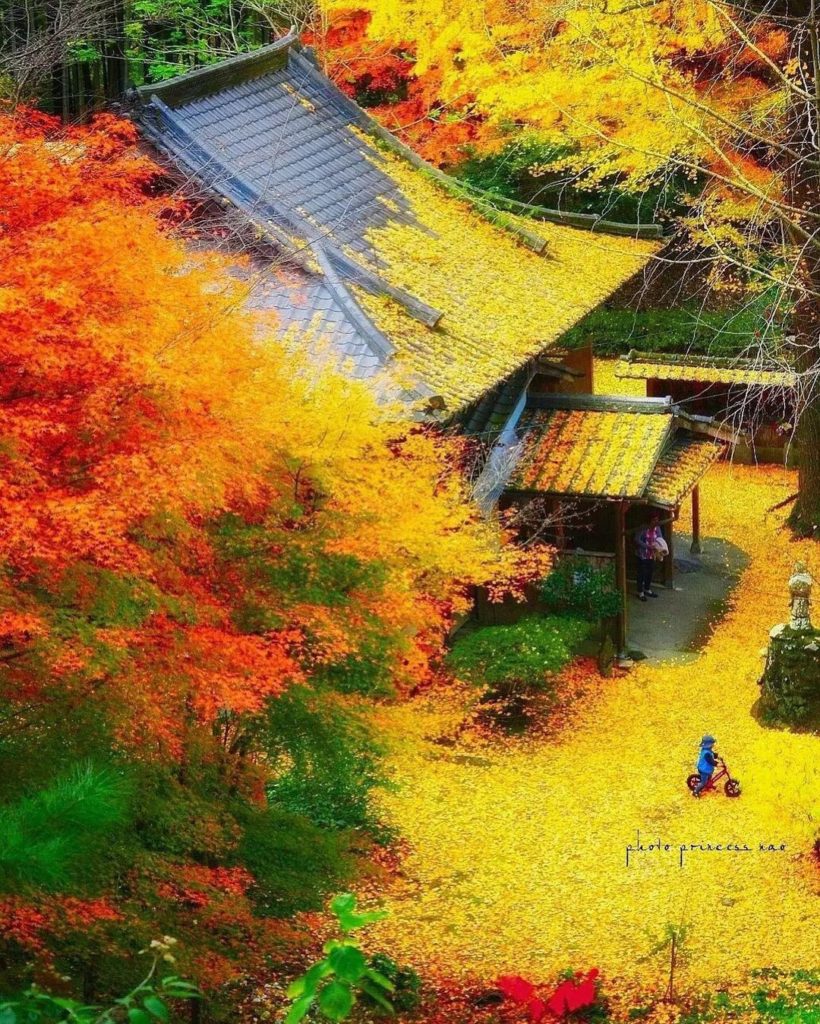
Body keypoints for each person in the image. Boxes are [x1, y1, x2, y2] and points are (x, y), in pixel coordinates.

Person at [635, 513, 664, 601]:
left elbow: (660, 538)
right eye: (654, 520)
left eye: (657, 520)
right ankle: (640, 592)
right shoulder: (643, 528)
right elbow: (637, 539)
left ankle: (647, 589)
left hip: (652, 555)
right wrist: (647, 546)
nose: (656, 522)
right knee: (641, 573)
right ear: (650, 521)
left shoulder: (657, 528)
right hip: (642, 554)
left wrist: (658, 546)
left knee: (649, 572)